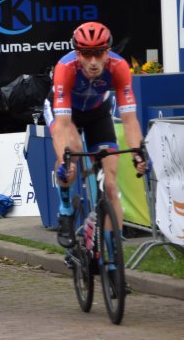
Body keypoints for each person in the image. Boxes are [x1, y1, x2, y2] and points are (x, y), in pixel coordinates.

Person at [47, 22, 147, 248]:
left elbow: (130, 120)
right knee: (70, 158)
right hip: (66, 114)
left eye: (99, 53)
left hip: (97, 113)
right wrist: (65, 160)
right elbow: (62, 125)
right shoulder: (66, 67)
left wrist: (138, 154)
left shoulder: (119, 67)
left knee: (111, 185)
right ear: (77, 53)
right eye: (87, 54)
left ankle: (112, 260)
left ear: (108, 51)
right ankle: (65, 209)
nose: (93, 62)